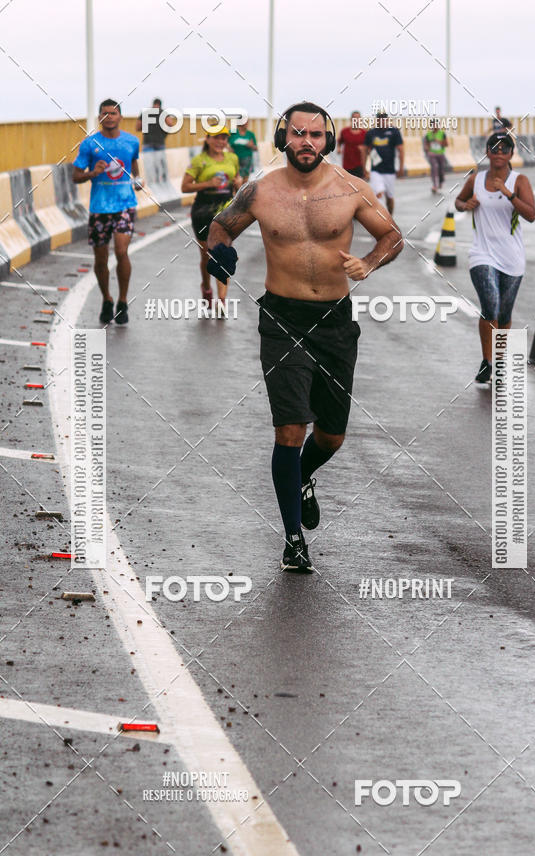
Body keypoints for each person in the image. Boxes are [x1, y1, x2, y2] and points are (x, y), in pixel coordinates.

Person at [206, 101, 403, 573]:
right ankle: (293, 540)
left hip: (335, 321)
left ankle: (302, 477)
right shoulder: (260, 191)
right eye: (297, 133)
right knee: (290, 429)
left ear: (327, 141)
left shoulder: (351, 188)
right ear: (283, 139)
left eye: (315, 134)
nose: (306, 142)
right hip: (283, 319)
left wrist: (369, 262)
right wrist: (219, 252)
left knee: (331, 437)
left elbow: (392, 236)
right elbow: (220, 227)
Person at [454, 133, 535, 383]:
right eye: (495, 148)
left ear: (511, 153)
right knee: (491, 307)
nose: (499, 153)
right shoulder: (475, 179)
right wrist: (465, 205)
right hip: (482, 254)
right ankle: (486, 361)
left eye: (504, 149)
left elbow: (531, 215)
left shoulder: (519, 181)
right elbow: (458, 201)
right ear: (487, 152)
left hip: (512, 258)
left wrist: (509, 194)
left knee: (504, 313)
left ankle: (499, 362)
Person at [72, 99, 143, 325]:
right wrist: (92, 173)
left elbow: (134, 165)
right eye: (104, 113)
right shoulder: (89, 144)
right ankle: (106, 299)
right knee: (101, 259)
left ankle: (122, 301)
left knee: (121, 252)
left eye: (113, 113)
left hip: (125, 205)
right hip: (99, 208)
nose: (109, 117)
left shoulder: (131, 141)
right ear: (99, 117)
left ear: (120, 116)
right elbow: (75, 176)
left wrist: (138, 180)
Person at [181, 128, 242, 307]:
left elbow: (238, 182)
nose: (220, 142)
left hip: (225, 211)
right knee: (207, 255)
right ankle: (206, 287)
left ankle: (221, 300)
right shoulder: (199, 161)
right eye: (216, 138)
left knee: (223, 254)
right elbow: (184, 187)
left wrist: (239, 183)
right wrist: (208, 183)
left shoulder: (232, 158)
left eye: (224, 139)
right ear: (207, 140)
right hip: (203, 211)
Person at [364, 112, 404, 214]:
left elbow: (401, 150)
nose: (381, 121)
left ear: (387, 120)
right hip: (376, 170)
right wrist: (364, 167)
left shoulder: (394, 132)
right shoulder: (371, 133)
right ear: (377, 120)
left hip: (390, 170)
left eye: (384, 119)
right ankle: (382, 218)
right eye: (379, 119)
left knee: (389, 197)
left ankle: (390, 216)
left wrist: (401, 167)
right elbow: (365, 150)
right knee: (378, 193)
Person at [338, 112, 366, 178]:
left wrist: (364, 149)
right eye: (354, 118)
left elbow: (368, 149)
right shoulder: (344, 131)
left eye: (358, 118)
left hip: (359, 165)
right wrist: (338, 149)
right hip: (347, 165)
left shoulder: (364, 133)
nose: (356, 120)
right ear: (351, 119)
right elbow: (339, 142)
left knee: (358, 183)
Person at [424, 118, 448, 193]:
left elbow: (446, 144)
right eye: (433, 125)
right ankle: (434, 185)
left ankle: (440, 182)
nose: (434, 126)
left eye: (436, 124)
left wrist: (439, 141)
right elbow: (426, 144)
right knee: (434, 168)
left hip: (440, 153)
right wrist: (427, 150)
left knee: (441, 169)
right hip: (432, 154)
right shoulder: (428, 134)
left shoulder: (442, 134)